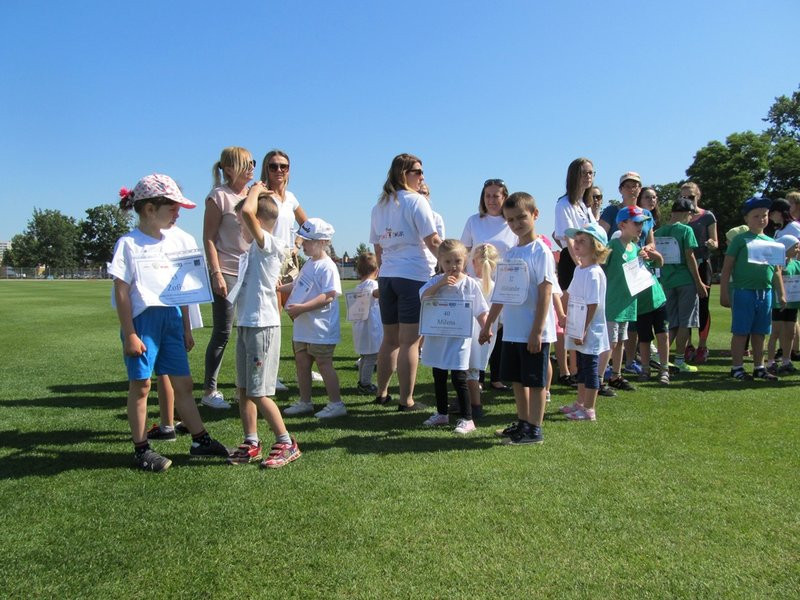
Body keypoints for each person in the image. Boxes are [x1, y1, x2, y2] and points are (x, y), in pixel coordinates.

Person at [110, 174, 230, 472]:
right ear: (149, 209)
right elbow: (121, 292)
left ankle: (199, 439)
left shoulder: (172, 242)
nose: (178, 214)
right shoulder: (129, 244)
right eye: (173, 208)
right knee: (141, 385)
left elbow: (182, 290)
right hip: (143, 322)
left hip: (172, 320)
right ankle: (141, 448)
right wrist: (130, 334)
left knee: (183, 384)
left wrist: (186, 327)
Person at [225, 183, 301, 467]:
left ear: (257, 221)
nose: (240, 228)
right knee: (244, 388)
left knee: (259, 391)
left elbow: (247, 211)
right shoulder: (253, 251)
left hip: (262, 326)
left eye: (243, 224)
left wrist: (254, 190)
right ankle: (251, 441)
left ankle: (285, 442)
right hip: (247, 324)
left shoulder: (270, 245)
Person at [479, 192, 556, 445]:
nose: (516, 224)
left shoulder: (541, 251)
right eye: (510, 220)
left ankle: (535, 429)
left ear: (535, 215)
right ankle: (523, 423)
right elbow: (501, 293)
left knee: (535, 382)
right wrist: (489, 323)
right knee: (517, 379)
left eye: (521, 217)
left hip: (533, 330)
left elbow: (545, 290)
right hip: (512, 330)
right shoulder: (511, 254)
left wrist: (537, 330)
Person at [370, 154, 442, 411]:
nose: (422, 176)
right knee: (410, 341)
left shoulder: (379, 206)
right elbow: (433, 241)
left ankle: (382, 393)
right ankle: (406, 400)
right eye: (417, 171)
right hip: (413, 275)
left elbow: (377, 246)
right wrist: (454, 264)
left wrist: (382, 272)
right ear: (403, 174)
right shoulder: (416, 201)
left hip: (388, 276)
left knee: (390, 339)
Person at [201, 147, 254, 409]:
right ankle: (210, 390)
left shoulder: (253, 195)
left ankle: (242, 387)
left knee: (248, 331)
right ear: (229, 169)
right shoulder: (218, 196)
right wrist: (216, 273)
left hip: (251, 273)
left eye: (253, 162)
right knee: (223, 332)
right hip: (228, 272)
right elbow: (209, 237)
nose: (252, 167)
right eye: (247, 163)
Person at [419, 240, 489, 434]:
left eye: (457, 261)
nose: (453, 266)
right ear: (440, 261)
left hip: (460, 338)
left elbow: (481, 310)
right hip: (438, 338)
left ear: (464, 261)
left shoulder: (470, 284)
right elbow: (423, 298)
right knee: (439, 375)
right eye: (448, 262)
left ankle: (467, 418)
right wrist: (440, 284)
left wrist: (485, 328)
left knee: (459, 376)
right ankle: (442, 413)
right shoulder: (434, 282)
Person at [281, 218, 346, 418]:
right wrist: (276, 288)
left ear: (323, 242)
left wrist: (301, 308)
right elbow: (297, 285)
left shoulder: (327, 266)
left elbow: (329, 295)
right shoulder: (309, 263)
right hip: (303, 327)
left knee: (324, 363)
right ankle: (305, 401)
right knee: (302, 363)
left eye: (308, 241)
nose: (303, 245)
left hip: (320, 327)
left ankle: (336, 403)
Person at [720, 196, 786, 381]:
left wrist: (781, 294)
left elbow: (776, 271)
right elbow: (727, 268)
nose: (761, 219)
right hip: (743, 291)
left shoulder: (772, 242)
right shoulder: (740, 240)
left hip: (765, 292)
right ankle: (737, 367)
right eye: (756, 216)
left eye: (764, 215)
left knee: (761, 332)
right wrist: (724, 293)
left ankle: (759, 366)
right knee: (741, 331)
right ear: (747, 219)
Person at [460, 178, 517, 390]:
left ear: (505, 198)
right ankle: (476, 376)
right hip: (477, 286)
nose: (491, 200)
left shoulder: (511, 222)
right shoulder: (474, 221)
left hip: (503, 286)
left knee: (500, 330)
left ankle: (497, 376)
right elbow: (464, 251)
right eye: (488, 196)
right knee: (479, 330)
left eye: (496, 195)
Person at [260, 149, 309, 390]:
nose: (279, 170)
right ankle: (270, 373)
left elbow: (307, 226)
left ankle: (308, 366)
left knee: (300, 314)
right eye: (273, 166)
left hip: (289, 263)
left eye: (284, 166)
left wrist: (298, 245)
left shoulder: (291, 198)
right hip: (268, 261)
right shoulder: (261, 195)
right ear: (266, 168)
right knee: (273, 318)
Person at [558, 223, 611, 421]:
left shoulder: (595, 273)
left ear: (596, 246)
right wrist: (562, 315)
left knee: (590, 369)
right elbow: (569, 293)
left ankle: (589, 409)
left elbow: (592, 305)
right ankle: (580, 403)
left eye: (582, 241)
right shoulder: (580, 270)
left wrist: (583, 330)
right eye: (576, 240)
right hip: (577, 325)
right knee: (580, 367)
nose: (576, 244)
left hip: (589, 329)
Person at [600, 206, 653, 392]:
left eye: (642, 223)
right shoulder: (613, 245)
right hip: (613, 302)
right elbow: (599, 265)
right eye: (636, 223)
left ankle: (616, 375)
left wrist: (644, 257)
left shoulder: (635, 247)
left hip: (628, 303)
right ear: (622, 224)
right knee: (610, 342)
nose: (640, 227)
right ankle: (598, 380)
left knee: (621, 341)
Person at [553, 159, 597, 388]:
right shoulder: (564, 204)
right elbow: (568, 238)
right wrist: (580, 264)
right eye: (584, 173)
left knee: (585, 314)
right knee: (571, 315)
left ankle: (582, 369)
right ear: (574, 175)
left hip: (587, 264)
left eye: (592, 173)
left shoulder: (585, 205)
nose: (589, 177)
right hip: (574, 264)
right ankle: (568, 370)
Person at [654, 198, 708, 374]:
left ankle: (661, 357)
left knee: (670, 322)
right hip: (685, 280)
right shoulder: (686, 230)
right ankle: (678, 360)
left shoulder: (659, 232)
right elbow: (690, 256)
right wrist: (699, 282)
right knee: (686, 321)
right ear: (687, 213)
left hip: (666, 281)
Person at [682, 182, 718, 365]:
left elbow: (715, 241)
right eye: (683, 197)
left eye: (691, 197)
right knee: (685, 307)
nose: (687, 200)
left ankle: (702, 346)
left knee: (703, 306)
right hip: (684, 267)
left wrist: (712, 243)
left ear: (698, 196)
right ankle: (687, 346)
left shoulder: (707, 216)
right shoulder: (681, 217)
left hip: (703, 264)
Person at [465, 243, 500, 418]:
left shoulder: (469, 284)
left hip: (470, 333)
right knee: (476, 370)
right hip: (489, 335)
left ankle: (475, 406)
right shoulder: (497, 288)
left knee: (469, 371)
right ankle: (470, 400)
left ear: (473, 262)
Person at [766, 235, 800, 375]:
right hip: (778, 303)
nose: (798, 249)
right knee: (776, 333)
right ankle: (770, 362)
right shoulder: (776, 264)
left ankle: (786, 360)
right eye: (795, 246)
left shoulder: (797, 264)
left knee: (790, 333)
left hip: (793, 304)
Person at [352, 252, 382, 394]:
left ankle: (362, 382)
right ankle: (365, 383)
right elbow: (376, 294)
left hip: (360, 326)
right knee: (370, 357)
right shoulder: (372, 284)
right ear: (377, 271)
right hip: (371, 327)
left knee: (365, 356)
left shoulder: (359, 286)